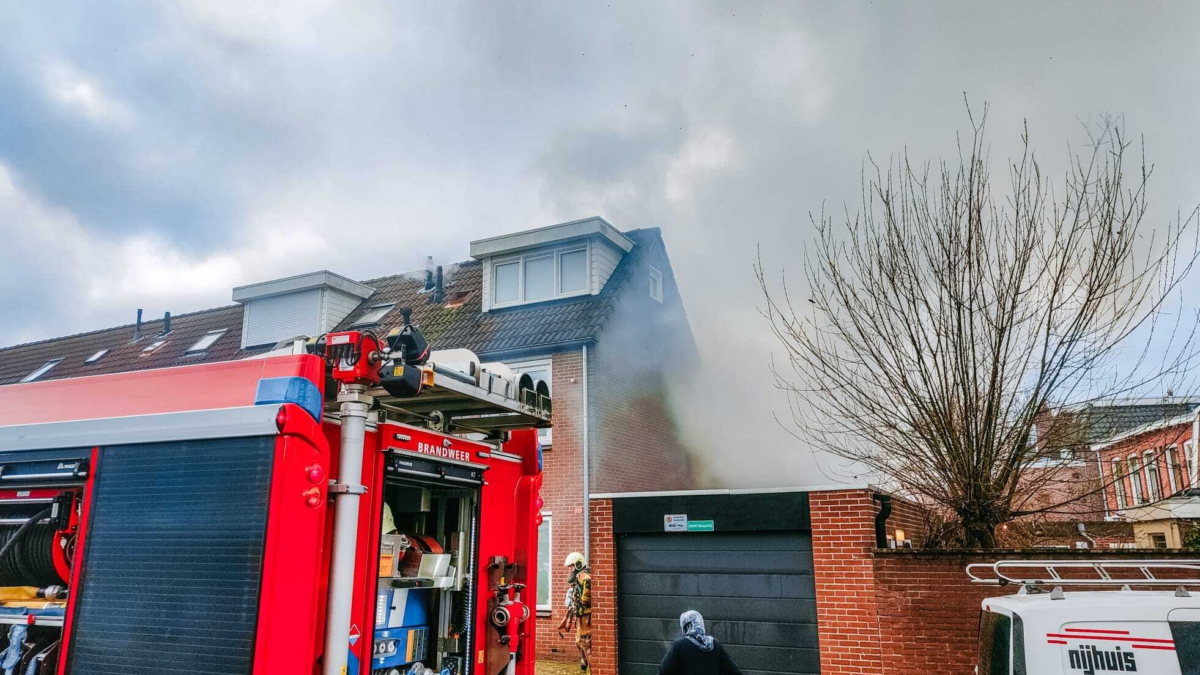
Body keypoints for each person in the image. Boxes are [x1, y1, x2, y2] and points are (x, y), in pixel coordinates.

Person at [658, 611, 742, 675]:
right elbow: (734, 672)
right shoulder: (715, 644)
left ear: (686, 626)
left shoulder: (680, 645)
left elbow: (664, 670)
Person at [563, 552, 593, 671]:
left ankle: (591, 668)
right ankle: (584, 662)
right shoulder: (577, 577)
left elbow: (588, 582)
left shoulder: (582, 575)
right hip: (581, 615)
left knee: (584, 641)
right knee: (579, 641)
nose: (570, 569)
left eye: (572, 566)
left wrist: (584, 600)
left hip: (586, 615)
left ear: (578, 564)